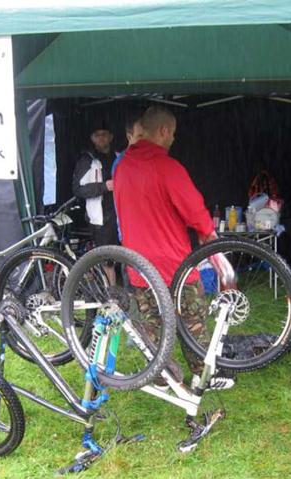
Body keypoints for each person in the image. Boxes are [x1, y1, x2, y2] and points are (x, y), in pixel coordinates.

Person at [113, 105, 231, 390]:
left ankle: (162, 377)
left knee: (152, 323)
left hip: (139, 265)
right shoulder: (168, 167)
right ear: (163, 130)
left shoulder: (122, 167)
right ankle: (203, 374)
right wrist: (209, 234)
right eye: (173, 133)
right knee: (192, 320)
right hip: (173, 264)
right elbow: (194, 210)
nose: (174, 139)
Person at [72, 122, 118, 283]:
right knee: (107, 261)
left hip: (122, 216)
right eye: (97, 135)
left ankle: (131, 292)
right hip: (101, 219)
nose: (101, 138)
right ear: (92, 138)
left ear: (111, 136)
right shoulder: (87, 161)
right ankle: (110, 294)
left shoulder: (120, 157)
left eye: (104, 134)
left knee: (129, 257)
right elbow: (77, 190)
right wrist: (103, 186)